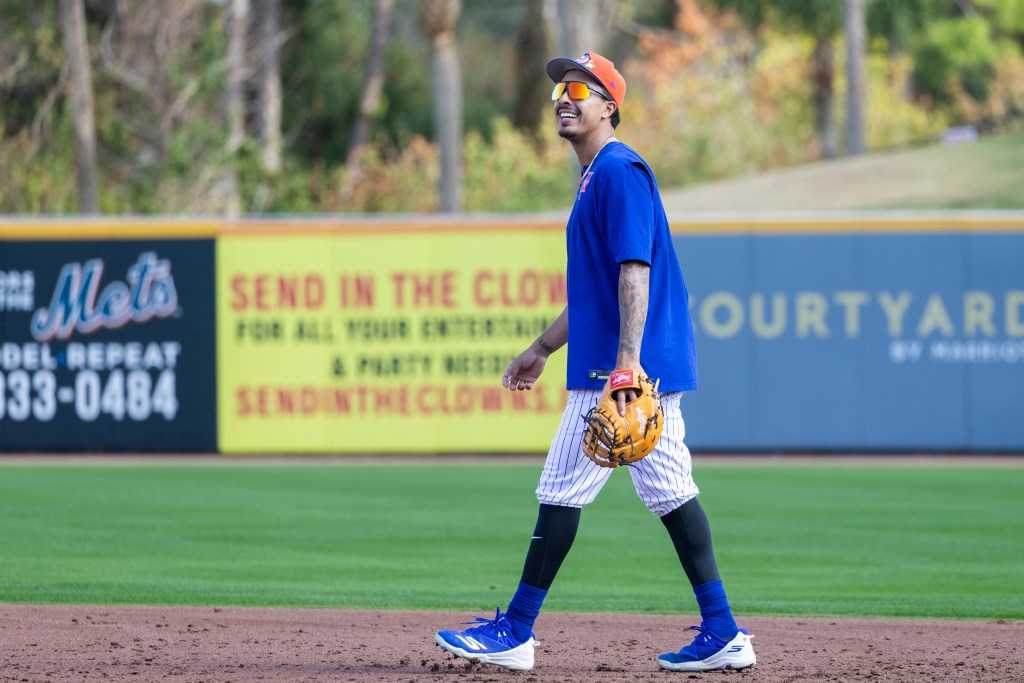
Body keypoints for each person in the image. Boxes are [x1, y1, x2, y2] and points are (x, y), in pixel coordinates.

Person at [434, 52, 756, 673]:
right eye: (559, 85)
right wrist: (541, 348)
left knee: (560, 487)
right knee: (671, 491)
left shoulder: (618, 171)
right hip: (626, 365)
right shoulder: (594, 177)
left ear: (609, 105)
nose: (564, 95)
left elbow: (635, 268)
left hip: (622, 373)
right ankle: (723, 631)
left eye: (580, 87)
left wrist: (627, 367)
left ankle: (517, 631)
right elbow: (597, 291)